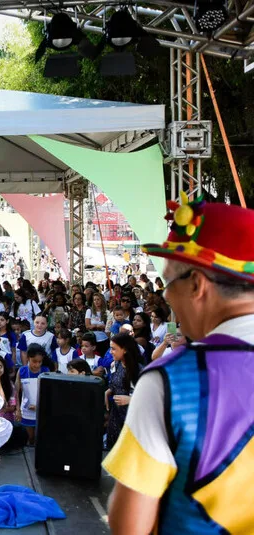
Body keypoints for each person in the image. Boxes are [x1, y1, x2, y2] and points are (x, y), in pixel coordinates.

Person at [103, 198, 254, 533]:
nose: (166, 297)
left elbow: (130, 527)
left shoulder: (170, 381)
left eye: (169, 282)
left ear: (197, 284)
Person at [104, 333, 141, 450]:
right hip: (116, 417)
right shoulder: (115, 364)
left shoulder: (139, 371)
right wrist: (108, 391)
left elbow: (151, 398)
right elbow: (116, 384)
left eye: (114, 349)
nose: (110, 352)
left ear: (124, 350)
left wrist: (130, 399)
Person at [15, 343, 50, 445]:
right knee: (29, 438)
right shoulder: (22, 371)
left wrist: (40, 406)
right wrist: (17, 410)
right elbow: (16, 392)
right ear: (28, 358)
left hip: (41, 411)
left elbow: (48, 394)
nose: (37, 365)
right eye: (34, 361)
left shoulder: (45, 371)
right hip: (26, 411)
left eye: (40, 362)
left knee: (39, 440)